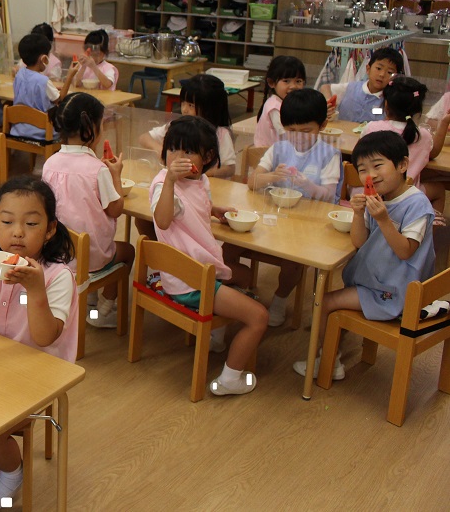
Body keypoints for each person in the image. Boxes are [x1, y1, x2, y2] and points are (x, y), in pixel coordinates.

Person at [0, 176, 78, 510]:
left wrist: (35, 289)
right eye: (8, 222)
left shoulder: (58, 277)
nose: (18, 233)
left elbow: (45, 337)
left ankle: (12, 472)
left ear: (50, 230)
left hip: (38, 375)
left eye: (31, 223)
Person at [293, 131, 435, 380]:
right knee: (328, 299)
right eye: (363, 170)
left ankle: (327, 362)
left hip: (396, 291)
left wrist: (383, 219)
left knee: (324, 302)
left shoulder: (417, 204)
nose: (371, 175)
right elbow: (360, 242)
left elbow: (405, 251)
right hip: (378, 281)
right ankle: (332, 351)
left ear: (402, 164)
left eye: (378, 166)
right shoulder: (378, 199)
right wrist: (359, 214)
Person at [150, 116, 268, 396]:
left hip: (197, 270)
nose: (178, 157)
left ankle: (216, 338)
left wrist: (213, 211)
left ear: (207, 158)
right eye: (173, 149)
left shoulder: (200, 180)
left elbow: (193, 206)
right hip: (188, 280)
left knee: (245, 276)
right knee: (259, 316)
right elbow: (163, 220)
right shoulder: (164, 184)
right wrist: (169, 181)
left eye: (188, 151)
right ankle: (230, 379)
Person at [243, 89, 344, 326]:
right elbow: (252, 181)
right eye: (291, 130)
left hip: (308, 225)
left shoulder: (329, 154)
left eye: (306, 131)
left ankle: (279, 300)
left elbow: (329, 195)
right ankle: (238, 292)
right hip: (275, 218)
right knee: (232, 245)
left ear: (322, 125)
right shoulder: (279, 148)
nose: (298, 137)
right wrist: (271, 176)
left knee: (293, 259)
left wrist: (307, 185)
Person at [43, 92, 134, 329]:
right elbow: (115, 209)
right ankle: (102, 311)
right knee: (128, 251)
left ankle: (89, 303)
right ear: (91, 128)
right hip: (91, 256)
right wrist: (116, 176)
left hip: (58, 250)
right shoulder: (96, 169)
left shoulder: (50, 163)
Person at [363, 76, 449, 214]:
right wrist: (444, 122)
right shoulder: (422, 135)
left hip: (372, 193)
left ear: (386, 105)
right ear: (417, 110)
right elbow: (434, 153)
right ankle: (429, 225)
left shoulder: (371, 128)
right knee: (439, 189)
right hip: (408, 197)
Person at [140, 73, 237, 179]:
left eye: (191, 105)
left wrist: (199, 173)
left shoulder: (221, 134)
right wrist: (160, 149)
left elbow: (230, 169)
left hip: (208, 185)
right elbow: (144, 138)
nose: (184, 110)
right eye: (183, 103)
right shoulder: (177, 127)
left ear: (209, 108)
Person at [9, 33, 78, 142]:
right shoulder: (43, 81)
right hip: (42, 132)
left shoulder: (19, 74)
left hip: (19, 130)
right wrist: (70, 75)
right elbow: (60, 100)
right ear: (44, 58)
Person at [321, 47, 403, 123]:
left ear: (395, 77)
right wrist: (328, 101)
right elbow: (325, 87)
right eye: (378, 68)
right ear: (368, 69)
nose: (382, 74)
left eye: (389, 72)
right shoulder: (351, 88)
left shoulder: (391, 100)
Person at [254, 55, 306, 148]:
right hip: (267, 153)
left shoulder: (290, 103)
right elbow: (287, 136)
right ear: (271, 83)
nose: (293, 86)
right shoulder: (274, 107)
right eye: (286, 81)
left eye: (298, 81)